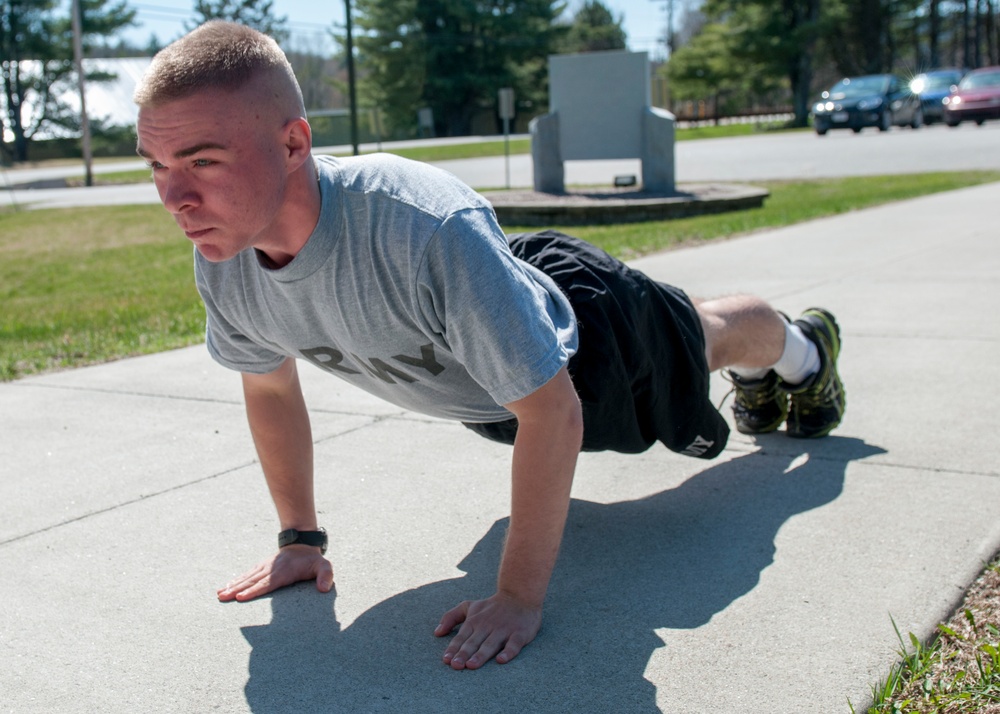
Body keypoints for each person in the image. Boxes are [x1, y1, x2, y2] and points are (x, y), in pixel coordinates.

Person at [133, 20, 845, 671]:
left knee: (704, 335)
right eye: (158, 165)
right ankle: (764, 360)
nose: (174, 198)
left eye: (203, 161)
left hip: (589, 345)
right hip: (498, 379)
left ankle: (804, 352)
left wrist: (518, 596)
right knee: (688, 332)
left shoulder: (417, 225)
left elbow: (554, 412)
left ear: (293, 142)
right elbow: (268, 387)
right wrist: (300, 540)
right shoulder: (224, 260)